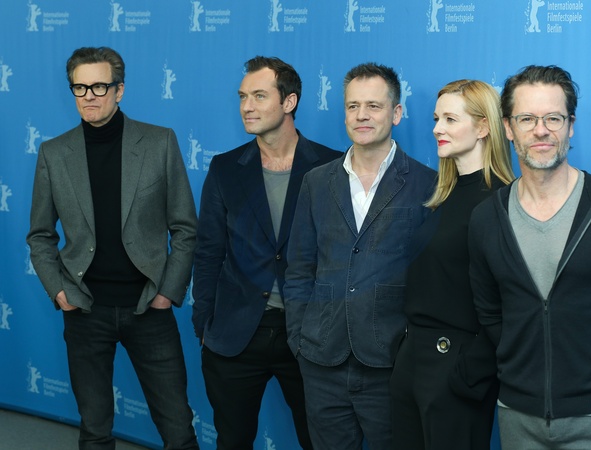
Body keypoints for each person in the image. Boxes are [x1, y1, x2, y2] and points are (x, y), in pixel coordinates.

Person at [468, 65, 591, 450]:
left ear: (571, 125)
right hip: (516, 416)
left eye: (553, 118)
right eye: (527, 118)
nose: (541, 130)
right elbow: (490, 312)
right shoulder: (487, 218)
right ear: (508, 128)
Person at [26, 46, 199, 450]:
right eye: (80, 87)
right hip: (85, 309)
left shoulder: (159, 142)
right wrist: (59, 291)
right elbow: (40, 235)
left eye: (99, 86)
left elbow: (186, 227)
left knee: (178, 428)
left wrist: (167, 292)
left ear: (119, 90)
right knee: (95, 430)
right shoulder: (54, 153)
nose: (89, 95)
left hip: (148, 307)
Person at [284, 62, 437, 450]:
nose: (362, 115)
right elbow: (299, 266)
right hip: (321, 360)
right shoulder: (316, 181)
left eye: (373, 106)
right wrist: (298, 339)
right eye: (353, 106)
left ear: (396, 113)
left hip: (390, 362)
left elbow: (433, 279)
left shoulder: (428, 184)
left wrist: (410, 349)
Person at [191, 56, 341, 450]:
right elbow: (208, 250)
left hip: (309, 333)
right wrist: (204, 321)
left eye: (259, 96)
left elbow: (343, 254)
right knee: (233, 440)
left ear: (289, 102)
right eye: (243, 97)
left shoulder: (333, 166)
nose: (247, 106)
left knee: (322, 441)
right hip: (236, 334)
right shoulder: (225, 168)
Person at [389, 80, 514, 450]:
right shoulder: (439, 195)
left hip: (457, 365)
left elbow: (512, 300)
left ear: (483, 126)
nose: (436, 128)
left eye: (449, 119)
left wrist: (471, 370)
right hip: (413, 360)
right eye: (435, 118)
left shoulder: (503, 202)